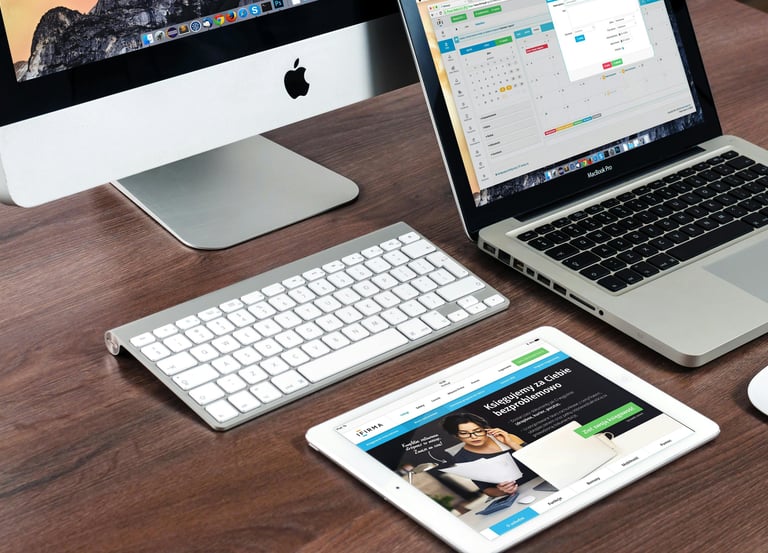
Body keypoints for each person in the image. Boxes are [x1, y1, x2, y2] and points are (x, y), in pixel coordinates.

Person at [441, 412, 526, 498]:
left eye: (478, 431)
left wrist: (510, 443)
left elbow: (537, 458)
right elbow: (487, 490)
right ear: (456, 436)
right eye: (464, 433)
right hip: (519, 493)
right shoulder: (462, 458)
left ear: (486, 429)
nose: (474, 436)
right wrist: (501, 491)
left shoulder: (509, 438)